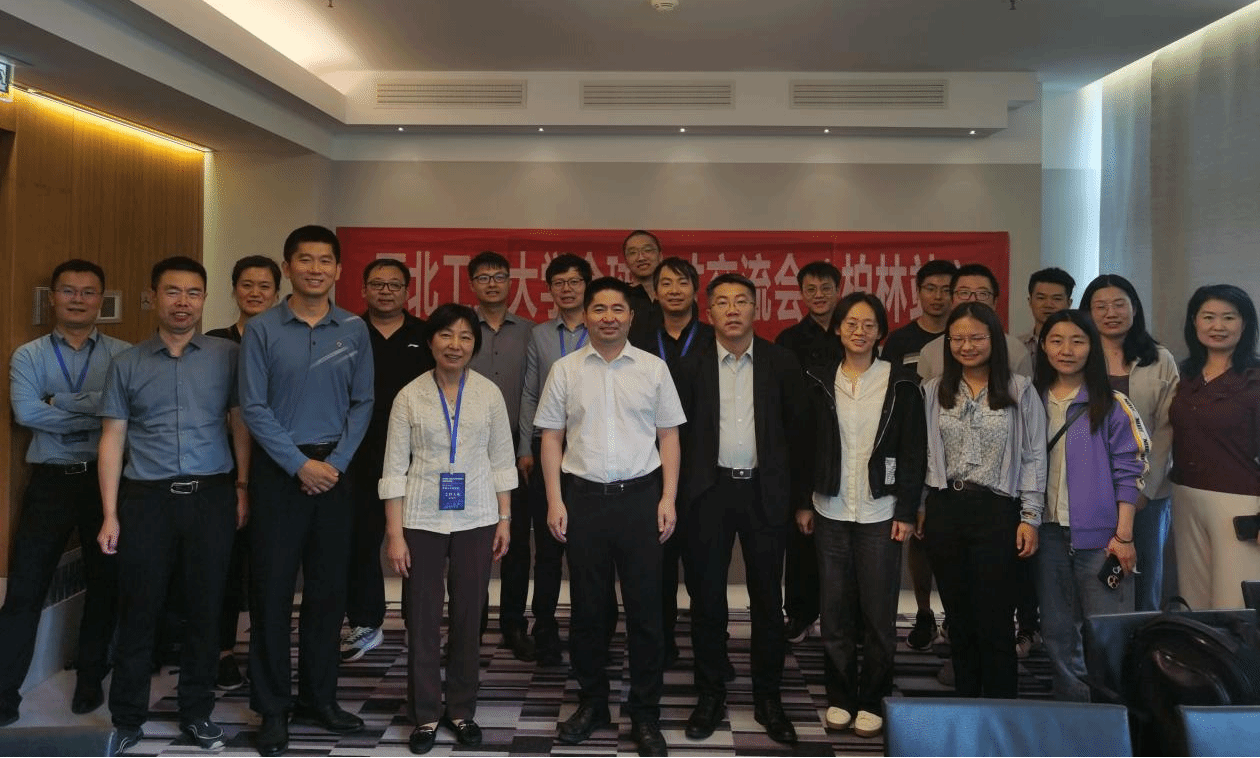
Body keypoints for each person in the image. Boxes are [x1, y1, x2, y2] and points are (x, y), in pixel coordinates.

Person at [96, 256, 249, 752]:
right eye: (172, 291)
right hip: (148, 500)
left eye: (193, 292)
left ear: (205, 299)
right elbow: (113, 438)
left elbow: (240, 423)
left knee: (206, 609)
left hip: (211, 496)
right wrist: (110, 513)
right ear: (152, 297)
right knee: (139, 609)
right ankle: (127, 719)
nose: (183, 302)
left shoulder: (228, 356)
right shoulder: (127, 363)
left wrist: (242, 486)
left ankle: (196, 714)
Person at [535, 277, 686, 758]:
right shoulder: (565, 369)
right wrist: (555, 500)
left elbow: (669, 436)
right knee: (588, 611)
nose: (608, 317)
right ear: (586, 315)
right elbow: (551, 437)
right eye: (598, 308)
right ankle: (593, 703)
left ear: (631, 316)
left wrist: (668, 498)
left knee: (646, 613)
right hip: (584, 500)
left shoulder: (653, 368)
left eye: (617, 309)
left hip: (641, 500)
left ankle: (644, 712)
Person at [240, 225, 374, 757]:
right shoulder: (262, 329)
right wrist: (298, 464)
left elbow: (363, 402)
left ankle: (320, 698)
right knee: (271, 593)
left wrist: (334, 464)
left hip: (336, 475)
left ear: (338, 269)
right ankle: (273, 708)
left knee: (327, 593)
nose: (315, 269)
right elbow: (253, 406)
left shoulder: (355, 329)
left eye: (325, 260)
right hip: (280, 473)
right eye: (305, 259)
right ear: (287, 266)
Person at [674, 273, 807, 746]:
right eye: (723, 302)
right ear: (708, 312)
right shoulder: (689, 366)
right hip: (708, 494)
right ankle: (710, 694)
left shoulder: (781, 362)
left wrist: (801, 500)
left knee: (768, 601)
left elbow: (799, 433)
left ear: (756, 308)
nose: (732, 310)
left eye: (742, 302)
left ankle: (768, 698)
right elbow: (675, 436)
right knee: (707, 600)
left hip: (764, 493)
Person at [380, 303, 516, 755]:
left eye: (465, 337)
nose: (455, 345)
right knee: (421, 618)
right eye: (446, 335)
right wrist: (395, 534)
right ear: (431, 341)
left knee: (468, 616)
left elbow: (502, 460)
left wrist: (505, 518)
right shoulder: (409, 396)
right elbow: (394, 469)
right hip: (421, 518)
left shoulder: (489, 394)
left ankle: (461, 709)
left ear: (474, 345)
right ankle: (424, 714)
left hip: (477, 515)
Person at [1, 260, 130, 727]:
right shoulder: (29, 355)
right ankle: (4, 692)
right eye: (69, 291)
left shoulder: (124, 355)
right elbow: (26, 413)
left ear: (101, 300)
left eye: (88, 292)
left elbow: (128, 412)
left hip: (105, 482)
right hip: (51, 482)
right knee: (24, 589)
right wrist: (99, 412)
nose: (78, 299)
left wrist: (58, 402)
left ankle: (91, 679)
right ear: (52, 297)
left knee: (105, 583)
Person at [799, 292, 925, 738]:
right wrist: (804, 501)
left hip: (880, 511)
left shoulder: (902, 383)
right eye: (851, 323)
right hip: (830, 508)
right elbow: (806, 444)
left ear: (881, 332)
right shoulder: (818, 379)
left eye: (868, 324)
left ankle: (872, 697)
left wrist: (906, 509)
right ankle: (839, 696)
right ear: (838, 329)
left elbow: (913, 451)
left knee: (878, 613)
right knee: (834, 611)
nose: (859, 331)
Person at [921, 301, 1046, 698]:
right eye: (957, 338)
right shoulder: (932, 391)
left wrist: (1030, 516)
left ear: (994, 339)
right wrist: (921, 506)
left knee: (995, 618)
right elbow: (923, 454)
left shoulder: (1019, 390)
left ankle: (999, 706)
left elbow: (1033, 456)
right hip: (946, 509)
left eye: (976, 337)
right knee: (958, 617)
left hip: (998, 512)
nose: (967, 346)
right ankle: (967, 703)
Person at [1033, 309, 1149, 701]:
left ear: (1092, 347)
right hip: (1048, 535)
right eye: (1056, 340)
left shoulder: (1112, 403)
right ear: (1043, 346)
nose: (1066, 350)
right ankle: (1073, 710)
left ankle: (1113, 714)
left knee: (1108, 633)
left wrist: (1124, 536)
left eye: (1077, 341)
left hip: (1103, 540)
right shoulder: (1031, 400)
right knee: (1056, 631)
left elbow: (1130, 470)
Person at [340, 258, 433, 663]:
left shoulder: (426, 334)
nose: (386, 291)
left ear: (407, 291)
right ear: (363, 290)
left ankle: (421, 623)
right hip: (360, 453)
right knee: (361, 541)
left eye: (394, 285)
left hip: (418, 456)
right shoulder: (347, 332)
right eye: (377, 284)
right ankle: (366, 622)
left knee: (421, 543)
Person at [631, 257, 715, 668]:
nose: (674, 290)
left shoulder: (714, 339)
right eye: (666, 283)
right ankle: (660, 646)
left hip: (705, 472)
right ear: (656, 291)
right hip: (650, 468)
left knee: (705, 572)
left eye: (682, 283)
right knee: (656, 570)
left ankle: (709, 652)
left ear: (695, 290)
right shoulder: (639, 340)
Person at [205, 254, 281, 690]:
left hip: (276, 464)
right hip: (225, 465)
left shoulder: (287, 340)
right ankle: (221, 651)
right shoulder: (214, 343)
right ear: (234, 290)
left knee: (268, 564)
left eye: (264, 286)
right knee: (227, 561)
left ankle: (263, 653)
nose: (255, 293)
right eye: (247, 285)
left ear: (277, 293)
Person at [1082, 274, 1180, 611]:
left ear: (1134, 309)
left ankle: (1146, 642)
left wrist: (1144, 490)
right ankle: (1101, 646)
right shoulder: (1078, 356)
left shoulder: (1160, 359)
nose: (1111, 313)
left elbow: (1167, 429)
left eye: (1119, 304)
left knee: (1145, 578)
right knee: (1096, 582)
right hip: (1089, 491)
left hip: (1148, 495)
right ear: (1087, 313)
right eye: (1100, 306)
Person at [517, 254, 596, 667]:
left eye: (575, 281)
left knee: (588, 549)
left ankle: (590, 631)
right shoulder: (541, 334)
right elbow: (530, 391)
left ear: (587, 285)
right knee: (548, 549)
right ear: (549, 289)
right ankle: (545, 630)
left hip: (591, 451)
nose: (567, 289)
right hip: (547, 446)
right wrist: (525, 447)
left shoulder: (603, 328)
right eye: (559, 283)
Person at [1169, 284, 1260, 610]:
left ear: (1245, 324)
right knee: (1193, 602)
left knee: (1235, 605)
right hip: (1185, 498)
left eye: (1228, 317)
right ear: (1194, 322)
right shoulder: (1183, 375)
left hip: (1239, 503)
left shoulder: (1255, 379)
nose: (1217, 326)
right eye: (1208, 317)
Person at [880, 258, 956, 651]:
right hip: (913, 448)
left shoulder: (966, 336)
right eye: (931, 288)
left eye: (946, 290)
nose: (938, 297)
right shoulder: (899, 341)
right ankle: (924, 612)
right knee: (920, 538)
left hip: (957, 454)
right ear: (918, 292)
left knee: (955, 542)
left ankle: (955, 616)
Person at [464, 251, 535, 661]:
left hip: (516, 447)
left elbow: (534, 392)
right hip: (467, 448)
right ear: (471, 283)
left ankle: (513, 624)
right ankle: (469, 626)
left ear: (511, 282)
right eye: (483, 277)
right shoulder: (460, 327)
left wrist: (526, 448)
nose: (492, 283)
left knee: (517, 542)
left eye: (499, 276)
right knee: (470, 541)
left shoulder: (531, 332)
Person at [775, 260, 842, 646]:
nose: (819, 296)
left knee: (840, 540)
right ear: (801, 294)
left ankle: (840, 617)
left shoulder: (851, 331)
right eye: (811, 290)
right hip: (801, 444)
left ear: (838, 290)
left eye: (826, 288)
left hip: (846, 444)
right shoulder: (788, 340)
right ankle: (799, 613)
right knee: (800, 537)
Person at [917, 263, 1034, 380]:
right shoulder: (930, 351)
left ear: (995, 302)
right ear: (952, 300)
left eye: (982, 294)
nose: (972, 300)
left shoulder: (1016, 351)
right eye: (964, 293)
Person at [1019, 267, 1076, 357]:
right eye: (1041, 298)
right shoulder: (1016, 346)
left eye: (1057, 299)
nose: (1048, 305)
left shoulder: (1078, 346)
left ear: (1069, 303)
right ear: (1030, 302)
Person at [623, 230, 663, 317]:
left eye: (647, 250)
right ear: (626, 261)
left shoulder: (673, 294)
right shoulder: (620, 296)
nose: (641, 258)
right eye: (633, 253)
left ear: (660, 256)